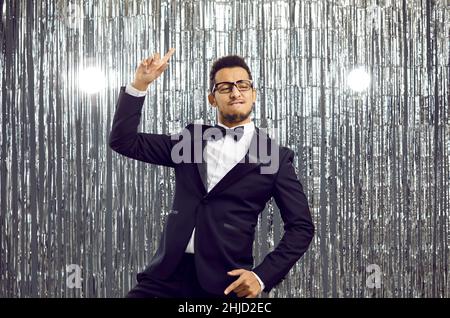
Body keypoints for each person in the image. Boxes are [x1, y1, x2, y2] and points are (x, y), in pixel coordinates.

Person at [109, 48, 314, 298]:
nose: (235, 92)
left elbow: (301, 227)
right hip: (164, 277)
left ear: (254, 94)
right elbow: (123, 141)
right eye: (225, 87)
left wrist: (261, 277)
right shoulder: (191, 140)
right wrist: (140, 84)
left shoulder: (274, 156)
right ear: (212, 99)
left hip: (226, 284)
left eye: (242, 85)